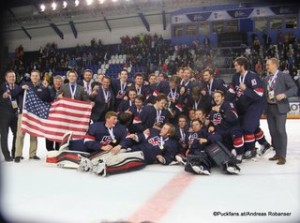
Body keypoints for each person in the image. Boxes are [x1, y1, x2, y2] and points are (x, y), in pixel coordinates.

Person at [226, 56, 265, 159]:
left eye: (236, 65)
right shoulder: (235, 77)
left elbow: (259, 94)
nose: (235, 67)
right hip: (244, 106)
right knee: (252, 126)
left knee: (247, 127)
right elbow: (231, 92)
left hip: (255, 106)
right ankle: (264, 144)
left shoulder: (252, 76)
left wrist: (246, 89)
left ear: (242, 65)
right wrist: (224, 102)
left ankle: (250, 150)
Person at [265, 57, 298, 165]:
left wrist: (284, 94)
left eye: (268, 64)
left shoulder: (284, 76)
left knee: (280, 131)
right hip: (270, 108)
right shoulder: (266, 78)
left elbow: (294, 88)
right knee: (273, 132)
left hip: (280, 108)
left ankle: (283, 156)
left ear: (274, 64)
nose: (267, 66)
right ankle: (277, 153)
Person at [15, 69, 51, 162]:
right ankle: (18, 155)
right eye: (33, 75)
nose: (35, 77)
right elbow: (15, 93)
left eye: (37, 75)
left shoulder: (42, 86)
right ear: (30, 77)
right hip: (24, 112)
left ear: (39, 77)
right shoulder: (24, 85)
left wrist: (46, 88)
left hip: (35, 114)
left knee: (34, 134)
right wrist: (21, 88)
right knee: (20, 134)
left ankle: (32, 154)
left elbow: (47, 99)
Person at [0, 70, 22, 161]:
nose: (12, 78)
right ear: (6, 78)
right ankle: (6, 155)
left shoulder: (17, 87)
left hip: (15, 114)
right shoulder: (1, 87)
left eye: (13, 76)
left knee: (17, 134)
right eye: (10, 76)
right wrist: (2, 96)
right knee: (4, 135)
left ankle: (15, 153)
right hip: (4, 115)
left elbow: (18, 99)